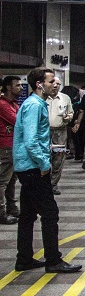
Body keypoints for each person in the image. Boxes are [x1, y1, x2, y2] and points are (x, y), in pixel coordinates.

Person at [13, 67, 81, 273]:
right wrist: (44, 164)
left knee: (27, 214)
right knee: (50, 213)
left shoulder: (34, 104)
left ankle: (24, 259)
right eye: (51, 81)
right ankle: (53, 260)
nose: (56, 85)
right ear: (39, 84)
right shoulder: (35, 106)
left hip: (27, 166)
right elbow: (31, 140)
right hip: (33, 168)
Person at [45, 77, 73, 195]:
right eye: (53, 83)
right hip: (45, 131)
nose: (56, 86)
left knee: (59, 158)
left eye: (58, 84)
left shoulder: (65, 98)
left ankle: (53, 184)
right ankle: (45, 184)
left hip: (60, 131)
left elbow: (71, 113)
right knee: (45, 157)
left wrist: (68, 117)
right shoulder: (43, 98)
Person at [0, 76, 21, 224]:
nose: (21, 87)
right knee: (3, 181)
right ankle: (1, 212)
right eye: (17, 85)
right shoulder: (3, 104)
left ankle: (12, 207)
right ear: (8, 87)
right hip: (6, 146)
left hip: (13, 145)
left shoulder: (13, 104)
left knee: (12, 179)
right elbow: (18, 121)